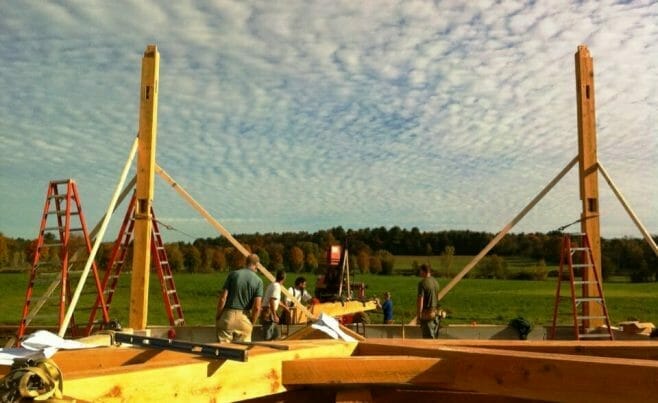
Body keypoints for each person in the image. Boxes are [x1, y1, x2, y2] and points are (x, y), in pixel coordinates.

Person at [215, 254, 263, 343]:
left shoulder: (233, 274)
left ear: (246, 262)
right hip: (244, 318)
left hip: (228, 316)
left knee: (222, 352)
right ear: (257, 264)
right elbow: (257, 307)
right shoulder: (258, 281)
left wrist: (218, 316)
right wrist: (251, 322)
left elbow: (223, 298)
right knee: (242, 354)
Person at [261, 269, 289, 341]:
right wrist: (274, 315)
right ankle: (266, 349)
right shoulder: (276, 286)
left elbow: (276, 300)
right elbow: (272, 300)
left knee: (275, 334)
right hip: (268, 312)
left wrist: (284, 307)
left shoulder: (273, 285)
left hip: (268, 311)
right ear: (284, 279)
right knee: (268, 336)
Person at [417, 264, 441, 339]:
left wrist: (419, 316)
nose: (419, 273)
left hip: (427, 315)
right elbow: (437, 298)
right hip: (436, 314)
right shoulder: (436, 282)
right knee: (435, 340)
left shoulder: (422, 283)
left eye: (420, 271)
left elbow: (420, 300)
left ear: (423, 271)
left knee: (428, 341)